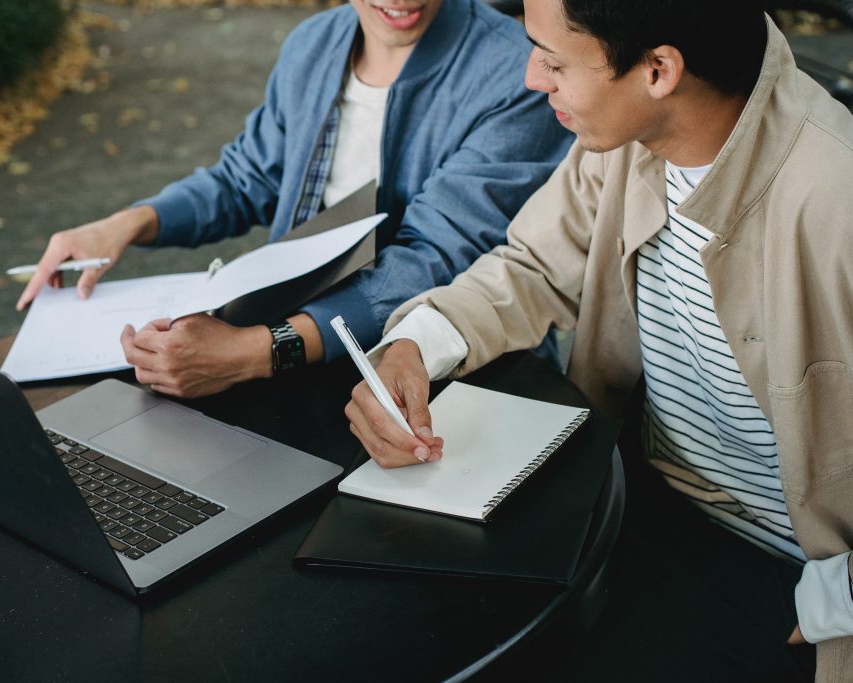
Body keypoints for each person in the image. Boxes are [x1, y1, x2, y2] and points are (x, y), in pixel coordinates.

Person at [344, 0, 853, 680]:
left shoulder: (834, 194)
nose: (531, 77)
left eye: (554, 61)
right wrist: (413, 345)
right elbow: (531, 266)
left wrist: (834, 602)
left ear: (659, 70)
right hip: (633, 502)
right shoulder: (628, 139)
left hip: (786, 571)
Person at [15, 0, 572, 398]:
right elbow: (247, 178)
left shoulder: (514, 73)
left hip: (439, 375)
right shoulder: (314, 44)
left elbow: (436, 258)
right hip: (285, 344)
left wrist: (256, 350)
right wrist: (128, 224)